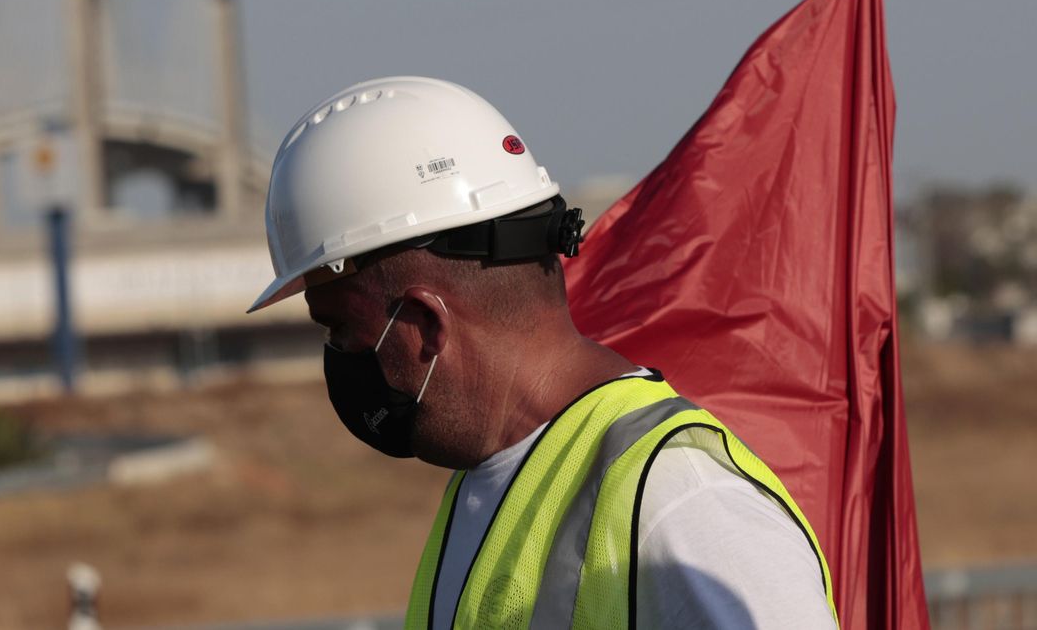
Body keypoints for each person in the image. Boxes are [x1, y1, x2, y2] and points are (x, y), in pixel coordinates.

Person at [247, 76, 837, 629]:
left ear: (424, 325)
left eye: (340, 328)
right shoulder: (483, 491)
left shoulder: (680, 503)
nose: (338, 354)